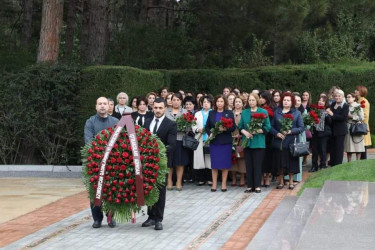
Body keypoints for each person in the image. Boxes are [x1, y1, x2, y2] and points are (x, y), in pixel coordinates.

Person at [142, 98, 177, 230]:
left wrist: (156, 151)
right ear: (152, 108)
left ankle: (158, 219)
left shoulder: (171, 124)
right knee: (149, 189)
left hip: (161, 163)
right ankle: (150, 217)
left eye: (160, 108)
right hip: (147, 162)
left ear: (165, 108)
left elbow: (172, 145)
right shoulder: (147, 122)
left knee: (160, 190)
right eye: (155, 108)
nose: (157, 110)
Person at [84, 97, 119, 229]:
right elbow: (89, 141)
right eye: (100, 104)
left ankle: (111, 217)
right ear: (96, 106)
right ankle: (97, 219)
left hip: (112, 161)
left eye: (105, 103)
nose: (103, 106)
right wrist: (100, 154)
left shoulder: (115, 121)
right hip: (95, 162)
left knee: (112, 190)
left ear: (109, 106)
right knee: (95, 191)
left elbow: (120, 140)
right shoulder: (90, 122)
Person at [270, 92, 304, 190]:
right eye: (284, 100)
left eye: (288, 100)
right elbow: (271, 126)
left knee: (291, 162)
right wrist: (277, 133)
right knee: (279, 161)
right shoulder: (277, 111)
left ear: (291, 102)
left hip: (291, 141)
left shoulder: (296, 113)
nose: (286, 102)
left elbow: (301, 127)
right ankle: (281, 181)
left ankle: (291, 181)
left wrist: (291, 131)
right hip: (279, 141)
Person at [239, 93, 271, 193]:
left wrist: (257, 131)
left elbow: (267, 127)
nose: (251, 102)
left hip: (258, 142)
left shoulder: (263, 111)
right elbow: (240, 126)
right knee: (248, 164)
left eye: (253, 100)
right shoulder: (245, 112)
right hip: (247, 142)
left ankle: (257, 185)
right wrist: (244, 132)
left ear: (257, 101)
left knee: (257, 165)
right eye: (250, 100)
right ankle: (250, 186)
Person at [205, 95, 236, 192]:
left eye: (221, 101)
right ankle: (214, 184)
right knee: (214, 164)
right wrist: (210, 133)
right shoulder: (211, 113)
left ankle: (223, 184)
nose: (219, 103)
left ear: (224, 103)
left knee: (225, 164)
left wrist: (225, 129)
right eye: (218, 101)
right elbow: (207, 126)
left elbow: (233, 127)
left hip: (225, 142)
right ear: (215, 103)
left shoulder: (229, 113)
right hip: (215, 142)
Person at [165, 93, 188, 190]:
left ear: (181, 101)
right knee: (169, 162)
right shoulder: (166, 111)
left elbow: (189, 126)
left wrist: (182, 127)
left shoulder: (185, 112)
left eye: (178, 100)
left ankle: (179, 182)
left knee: (179, 162)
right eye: (174, 100)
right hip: (169, 140)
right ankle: (169, 181)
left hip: (180, 140)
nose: (176, 102)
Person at [192, 95, 213, 186]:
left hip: (210, 137)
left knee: (209, 159)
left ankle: (210, 179)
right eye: (204, 102)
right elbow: (193, 125)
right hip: (199, 138)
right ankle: (201, 179)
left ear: (211, 103)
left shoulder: (213, 113)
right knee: (199, 158)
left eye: (208, 102)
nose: (206, 104)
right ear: (201, 103)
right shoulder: (197, 114)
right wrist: (197, 129)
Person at [326, 89, 349, 166]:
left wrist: (332, 114)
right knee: (332, 147)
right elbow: (330, 116)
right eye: (336, 96)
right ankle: (332, 163)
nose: (337, 97)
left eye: (339, 96)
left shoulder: (345, 106)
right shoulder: (332, 105)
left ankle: (338, 164)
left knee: (339, 148)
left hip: (340, 130)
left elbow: (343, 117)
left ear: (342, 97)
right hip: (332, 129)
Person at [310, 96, 331, 172]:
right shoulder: (314, 110)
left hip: (324, 132)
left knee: (323, 149)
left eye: (323, 101)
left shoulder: (327, 111)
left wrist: (327, 115)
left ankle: (323, 165)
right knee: (314, 150)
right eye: (319, 100)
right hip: (315, 132)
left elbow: (330, 122)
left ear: (325, 103)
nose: (320, 102)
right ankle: (314, 166)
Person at [259, 91, 275, 187]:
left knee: (268, 157)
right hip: (259, 135)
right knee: (260, 157)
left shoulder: (272, 108)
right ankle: (261, 177)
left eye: (262, 97)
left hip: (268, 135)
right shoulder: (257, 108)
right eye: (259, 97)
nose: (260, 99)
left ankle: (268, 177)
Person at [230, 96, 246, 187]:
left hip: (241, 139)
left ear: (242, 104)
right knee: (232, 158)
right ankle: (234, 177)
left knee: (241, 158)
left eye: (239, 102)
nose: (237, 103)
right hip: (231, 139)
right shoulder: (230, 113)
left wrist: (241, 134)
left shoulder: (244, 113)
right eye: (236, 102)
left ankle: (242, 177)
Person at [344, 93, 365, 162]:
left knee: (358, 146)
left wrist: (352, 116)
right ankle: (349, 162)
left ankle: (358, 162)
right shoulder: (345, 106)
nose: (347, 98)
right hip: (348, 127)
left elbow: (361, 118)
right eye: (347, 97)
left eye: (349, 97)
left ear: (354, 98)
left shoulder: (358, 106)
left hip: (356, 127)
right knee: (349, 147)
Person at [355, 85, 371, 160]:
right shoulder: (358, 101)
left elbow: (365, 115)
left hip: (362, 126)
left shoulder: (364, 101)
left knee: (363, 145)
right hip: (359, 125)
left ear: (361, 92)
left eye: (357, 90)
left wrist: (357, 120)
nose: (355, 91)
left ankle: (363, 161)